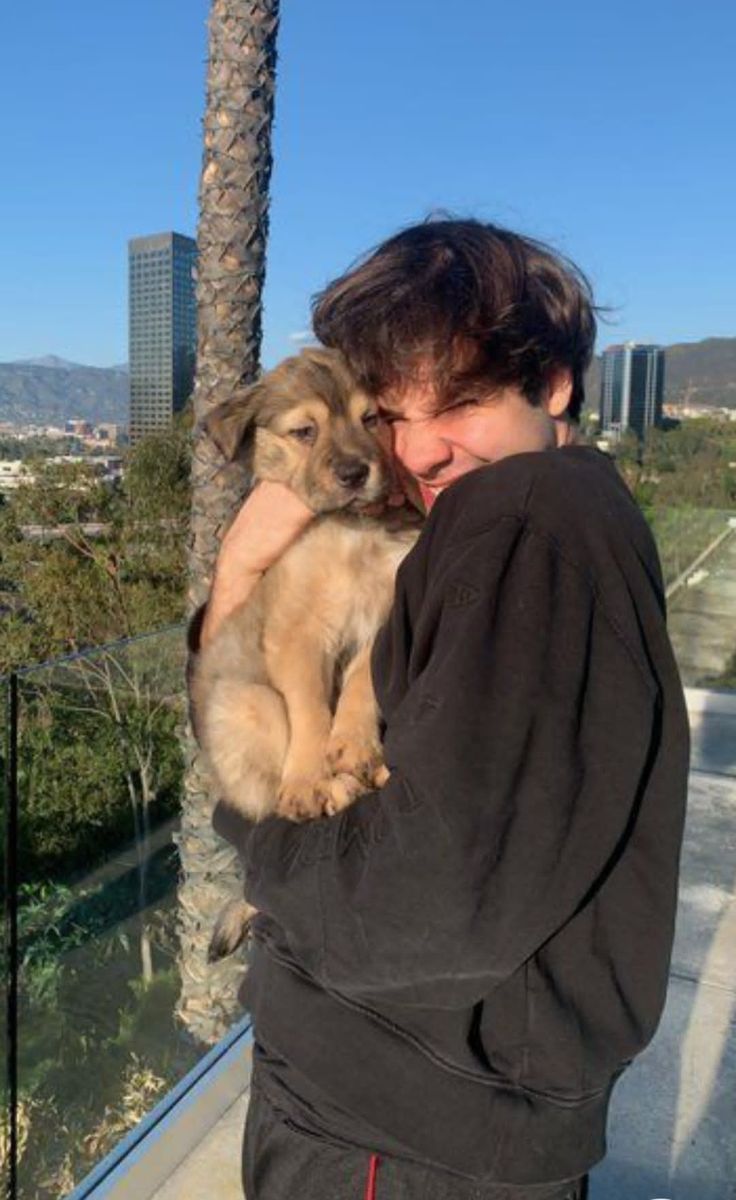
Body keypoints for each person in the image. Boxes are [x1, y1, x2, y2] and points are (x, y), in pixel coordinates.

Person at [186, 218, 690, 1200]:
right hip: (414, 1102)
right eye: (389, 414)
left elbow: (418, 912)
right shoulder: (499, 521)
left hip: (404, 1127)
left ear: (553, 386)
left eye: (458, 403)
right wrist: (244, 564)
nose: (419, 449)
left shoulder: (532, 519)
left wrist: (257, 836)